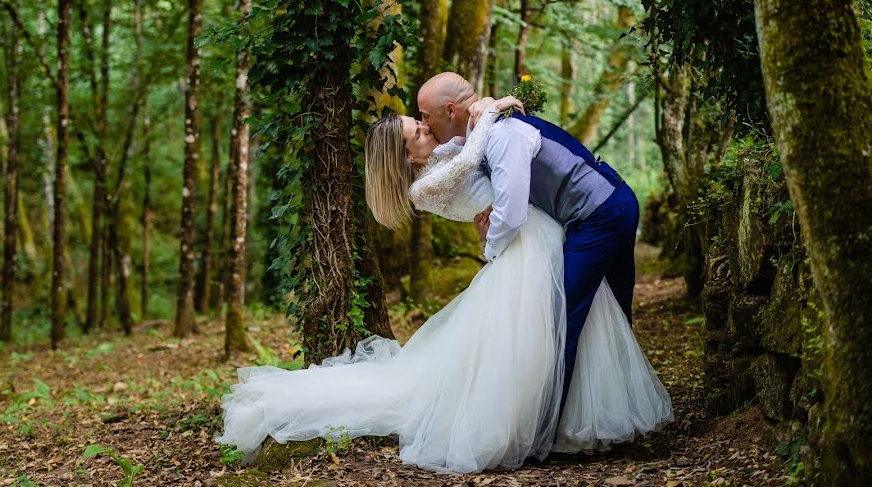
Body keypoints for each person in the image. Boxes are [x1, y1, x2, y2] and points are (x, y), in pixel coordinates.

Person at [216, 93, 671, 472]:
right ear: (404, 154)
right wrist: (493, 110)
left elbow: (480, 150)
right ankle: (538, 425)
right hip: (519, 249)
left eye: (418, 120)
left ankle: (568, 418)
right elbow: (476, 154)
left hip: (540, 236)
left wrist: (496, 106)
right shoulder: (424, 186)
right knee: (543, 334)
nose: (422, 126)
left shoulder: (441, 156)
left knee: (571, 324)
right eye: (414, 131)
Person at [417, 72, 646, 424]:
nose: (423, 124)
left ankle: (547, 425)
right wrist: (493, 103)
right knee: (612, 311)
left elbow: (510, 214)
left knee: (562, 316)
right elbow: (453, 155)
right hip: (605, 208)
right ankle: (619, 412)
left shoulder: (502, 136)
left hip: (602, 213)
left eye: (424, 116)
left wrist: (491, 255)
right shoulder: (485, 132)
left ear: (450, 111)